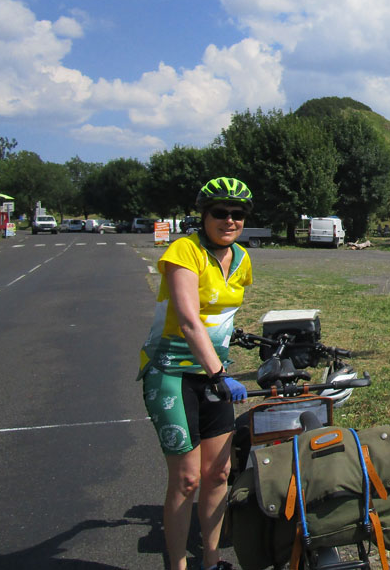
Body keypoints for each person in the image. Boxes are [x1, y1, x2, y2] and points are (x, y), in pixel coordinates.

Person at [138, 177, 254, 570]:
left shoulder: (241, 258)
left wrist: (238, 339)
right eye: (220, 212)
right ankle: (177, 565)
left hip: (214, 374)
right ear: (203, 215)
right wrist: (219, 373)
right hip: (172, 372)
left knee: (219, 473)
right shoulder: (184, 251)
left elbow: (220, 313)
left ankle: (211, 560)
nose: (229, 220)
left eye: (238, 214)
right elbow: (189, 320)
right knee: (187, 479)